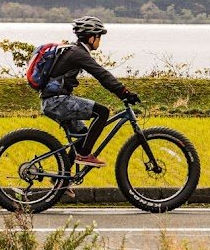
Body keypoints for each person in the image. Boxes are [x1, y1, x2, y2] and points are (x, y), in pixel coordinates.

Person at [39, 16, 140, 167]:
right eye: (99, 37)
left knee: (82, 138)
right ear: (92, 38)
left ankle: (61, 185)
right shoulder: (79, 53)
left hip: (53, 101)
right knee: (102, 112)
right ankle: (85, 155)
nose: (100, 41)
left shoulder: (74, 50)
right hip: (57, 102)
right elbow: (102, 74)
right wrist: (124, 92)